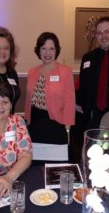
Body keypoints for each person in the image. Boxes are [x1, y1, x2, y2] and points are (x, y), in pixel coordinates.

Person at [24, 32, 75, 163]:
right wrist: (27, 121)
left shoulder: (65, 72)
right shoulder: (32, 72)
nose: (47, 52)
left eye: (51, 48)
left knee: (55, 162)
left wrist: (68, 128)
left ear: (56, 51)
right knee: (35, 162)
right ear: (38, 50)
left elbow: (70, 101)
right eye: (43, 48)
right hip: (34, 124)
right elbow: (28, 99)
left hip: (55, 124)